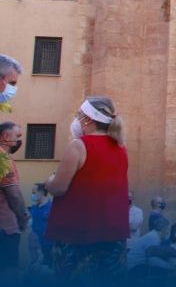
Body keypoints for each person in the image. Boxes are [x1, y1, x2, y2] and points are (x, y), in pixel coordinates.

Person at [44, 97, 130, 283]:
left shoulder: (78, 146)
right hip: (112, 234)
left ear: (88, 119)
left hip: (78, 234)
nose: (76, 118)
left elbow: (58, 188)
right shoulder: (121, 149)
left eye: (79, 114)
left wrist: (49, 180)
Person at [0, 122, 30, 281]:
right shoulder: (3, 159)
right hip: (5, 228)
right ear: (5, 136)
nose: (19, 140)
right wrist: (23, 217)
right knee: (8, 272)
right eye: (17, 136)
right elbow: (14, 195)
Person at [29, 182, 53, 265]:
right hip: (34, 246)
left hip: (48, 245)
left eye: (34, 192)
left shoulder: (52, 208)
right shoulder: (33, 208)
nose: (32, 195)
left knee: (47, 267)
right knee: (35, 266)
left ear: (42, 192)